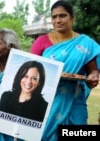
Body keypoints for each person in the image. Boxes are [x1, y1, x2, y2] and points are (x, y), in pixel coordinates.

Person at [30, 0, 100, 140]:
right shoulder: (41, 41)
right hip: (46, 99)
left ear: (72, 18)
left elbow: (93, 70)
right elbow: (29, 69)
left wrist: (93, 77)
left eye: (62, 16)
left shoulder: (85, 43)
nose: (58, 20)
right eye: (54, 17)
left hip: (74, 99)